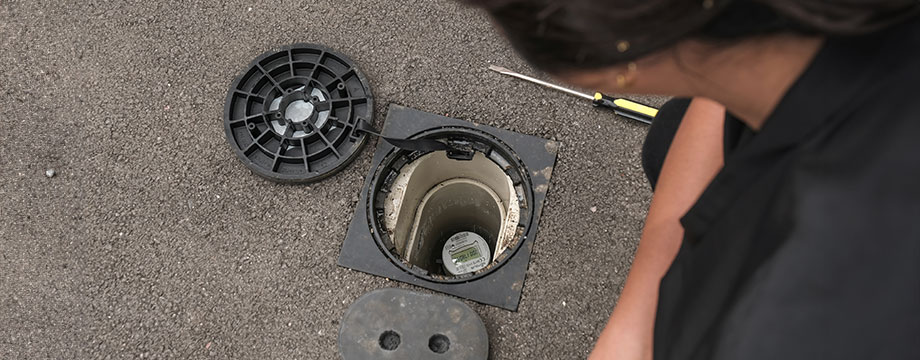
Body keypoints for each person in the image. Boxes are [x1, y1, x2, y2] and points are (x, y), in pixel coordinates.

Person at [458, 1, 920, 359]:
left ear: (610, 65)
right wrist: (635, 321)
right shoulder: (780, 36)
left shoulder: (788, 324)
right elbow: (718, 87)